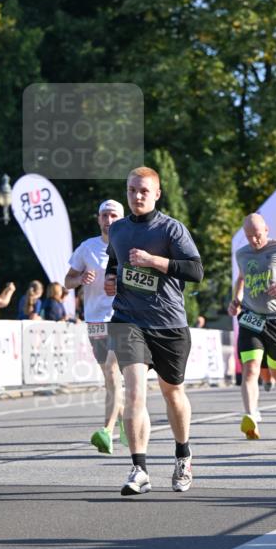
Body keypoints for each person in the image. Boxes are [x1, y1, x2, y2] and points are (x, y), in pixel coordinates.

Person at [104, 167, 203, 494]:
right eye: (132, 190)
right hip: (128, 320)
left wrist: (153, 261)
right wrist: (110, 278)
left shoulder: (171, 229)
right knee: (133, 391)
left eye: (144, 191)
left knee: (172, 392)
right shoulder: (117, 230)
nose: (137, 196)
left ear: (157, 193)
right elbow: (114, 262)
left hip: (169, 324)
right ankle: (139, 469)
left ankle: (183, 454)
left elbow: (195, 271)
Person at [229, 213, 276, 440]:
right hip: (251, 318)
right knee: (251, 368)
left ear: (267, 230)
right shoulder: (242, 254)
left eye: (257, 235)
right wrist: (236, 299)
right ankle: (251, 414)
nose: (254, 240)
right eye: (249, 236)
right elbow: (241, 278)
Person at [65, 199, 126, 455]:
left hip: (123, 317)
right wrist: (80, 278)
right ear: (98, 219)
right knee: (110, 378)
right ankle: (124, 421)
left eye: (113, 215)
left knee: (113, 373)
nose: (108, 220)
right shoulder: (86, 248)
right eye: (104, 215)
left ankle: (107, 431)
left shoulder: (129, 245)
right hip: (95, 321)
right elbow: (67, 282)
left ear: (121, 219)